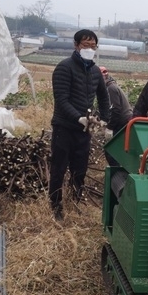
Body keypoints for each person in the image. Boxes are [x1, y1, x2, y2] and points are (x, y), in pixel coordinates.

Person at [48, 29, 110, 220]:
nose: (89, 49)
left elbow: (103, 96)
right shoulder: (64, 68)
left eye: (93, 46)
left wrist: (105, 120)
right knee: (59, 168)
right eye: (85, 45)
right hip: (64, 127)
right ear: (76, 45)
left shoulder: (94, 71)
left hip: (84, 129)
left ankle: (75, 200)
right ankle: (56, 206)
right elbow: (62, 99)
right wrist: (78, 117)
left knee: (80, 168)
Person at [99, 66, 132, 136]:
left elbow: (116, 109)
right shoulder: (112, 86)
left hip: (123, 123)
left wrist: (110, 127)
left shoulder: (111, 88)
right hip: (125, 121)